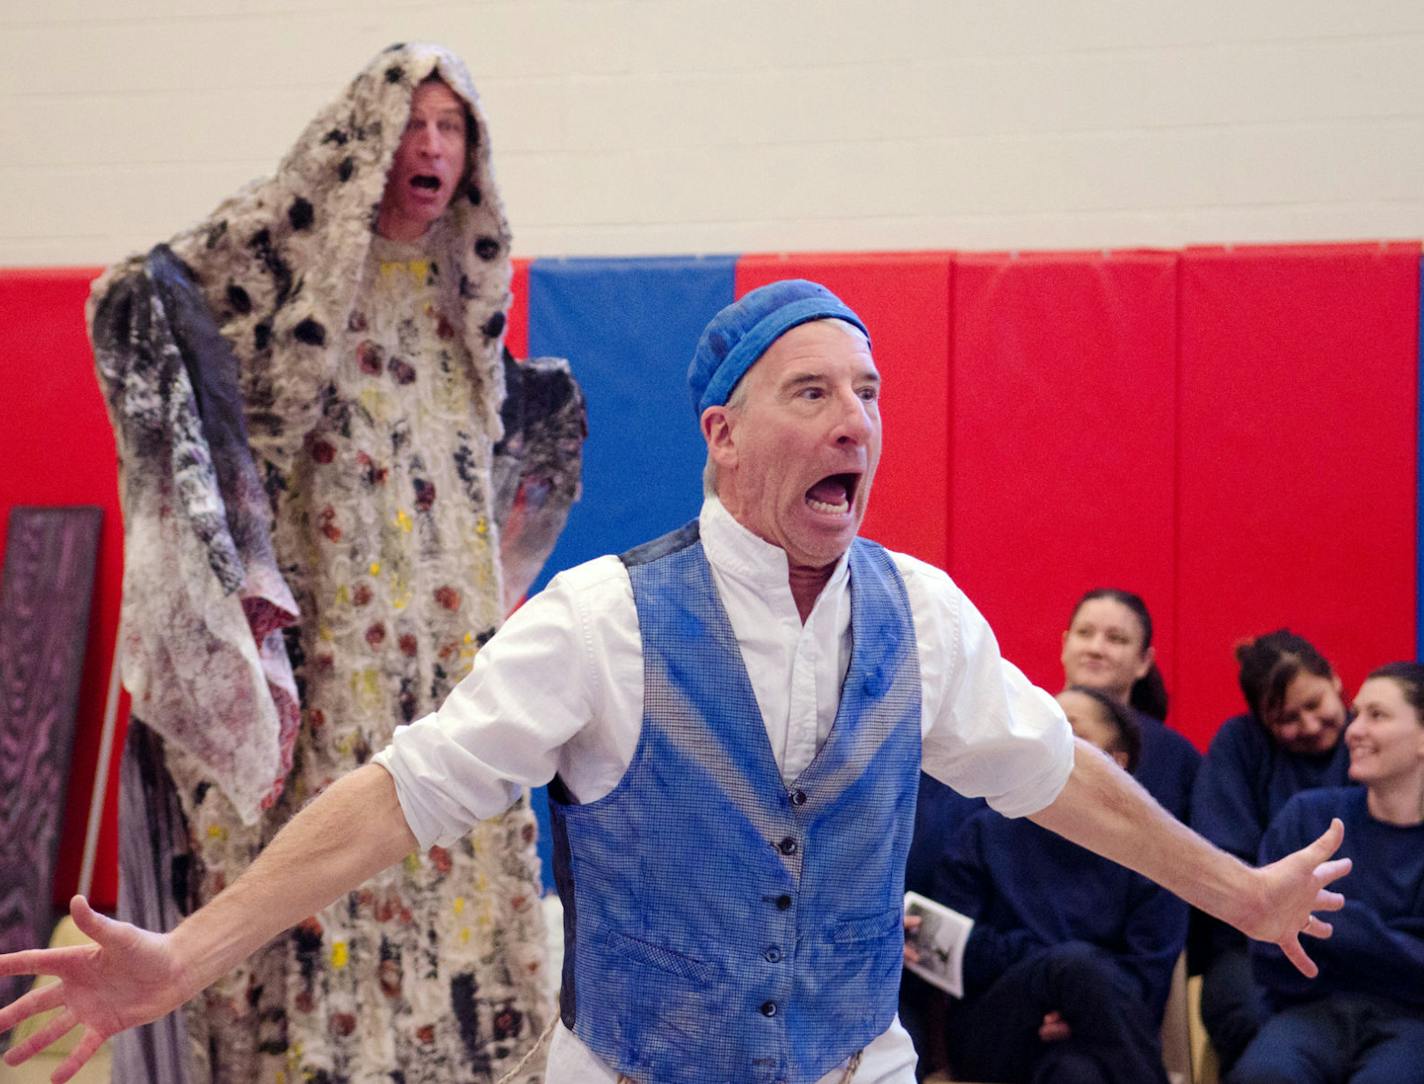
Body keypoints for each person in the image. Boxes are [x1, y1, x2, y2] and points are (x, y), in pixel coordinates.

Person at [1, 281, 1348, 1084]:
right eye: (811, 391)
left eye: (868, 393)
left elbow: (1062, 782)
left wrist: (1238, 888)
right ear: (722, 434)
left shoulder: (921, 615)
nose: (855, 421)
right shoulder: (601, 622)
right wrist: (184, 953)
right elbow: (391, 800)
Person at [82, 44, 584, 1084]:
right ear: (364, 144)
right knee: (330, 857)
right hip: (333, 651)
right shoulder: (291, 278)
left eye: (452, 128)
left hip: (445, 651)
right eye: (413, 123)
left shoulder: (461, 301)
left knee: (451, 827)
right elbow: (143, 292)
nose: (432, 146)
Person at [909, 687, 1187, 1084]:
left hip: (1098, 1033)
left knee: (1075, 1074)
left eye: (1069, 730)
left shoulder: (1148, 853)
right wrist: (1056, 976)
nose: (1048, 741)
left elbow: (1149, 976)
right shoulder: (984, 830)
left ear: (1116, 763)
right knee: (1072, 965)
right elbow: (945, 948)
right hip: (994, 1026)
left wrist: (1080, 1003)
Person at [1227, 662, 1424, 1084]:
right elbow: (1267, 944)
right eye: (1357, 714)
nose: (1354, 730)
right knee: (1262, 1075)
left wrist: (1345, 925)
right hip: (1308, 1012)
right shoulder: (1309, 817)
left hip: (1415, 1025)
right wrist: (1397, 941)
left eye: (1378, 715)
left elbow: (1309, 928)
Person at [1190, 630, 1354, 1070]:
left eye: (1315, 705)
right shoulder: (1238, 746)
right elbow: (1220, 856)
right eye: (1286, 718)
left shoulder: (1372, 739)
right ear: (1261, 721)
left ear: (1336, 679)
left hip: (1358, 941)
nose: (1308, 726)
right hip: (1253, 944)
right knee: (1252, 1024)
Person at [1060, 588, 1201, 820]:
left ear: (1144, 661)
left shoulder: (1176, 758)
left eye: (1116, 639)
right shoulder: (1021, 728)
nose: (1095, 649)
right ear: (1065, 644)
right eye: (1084, 633)